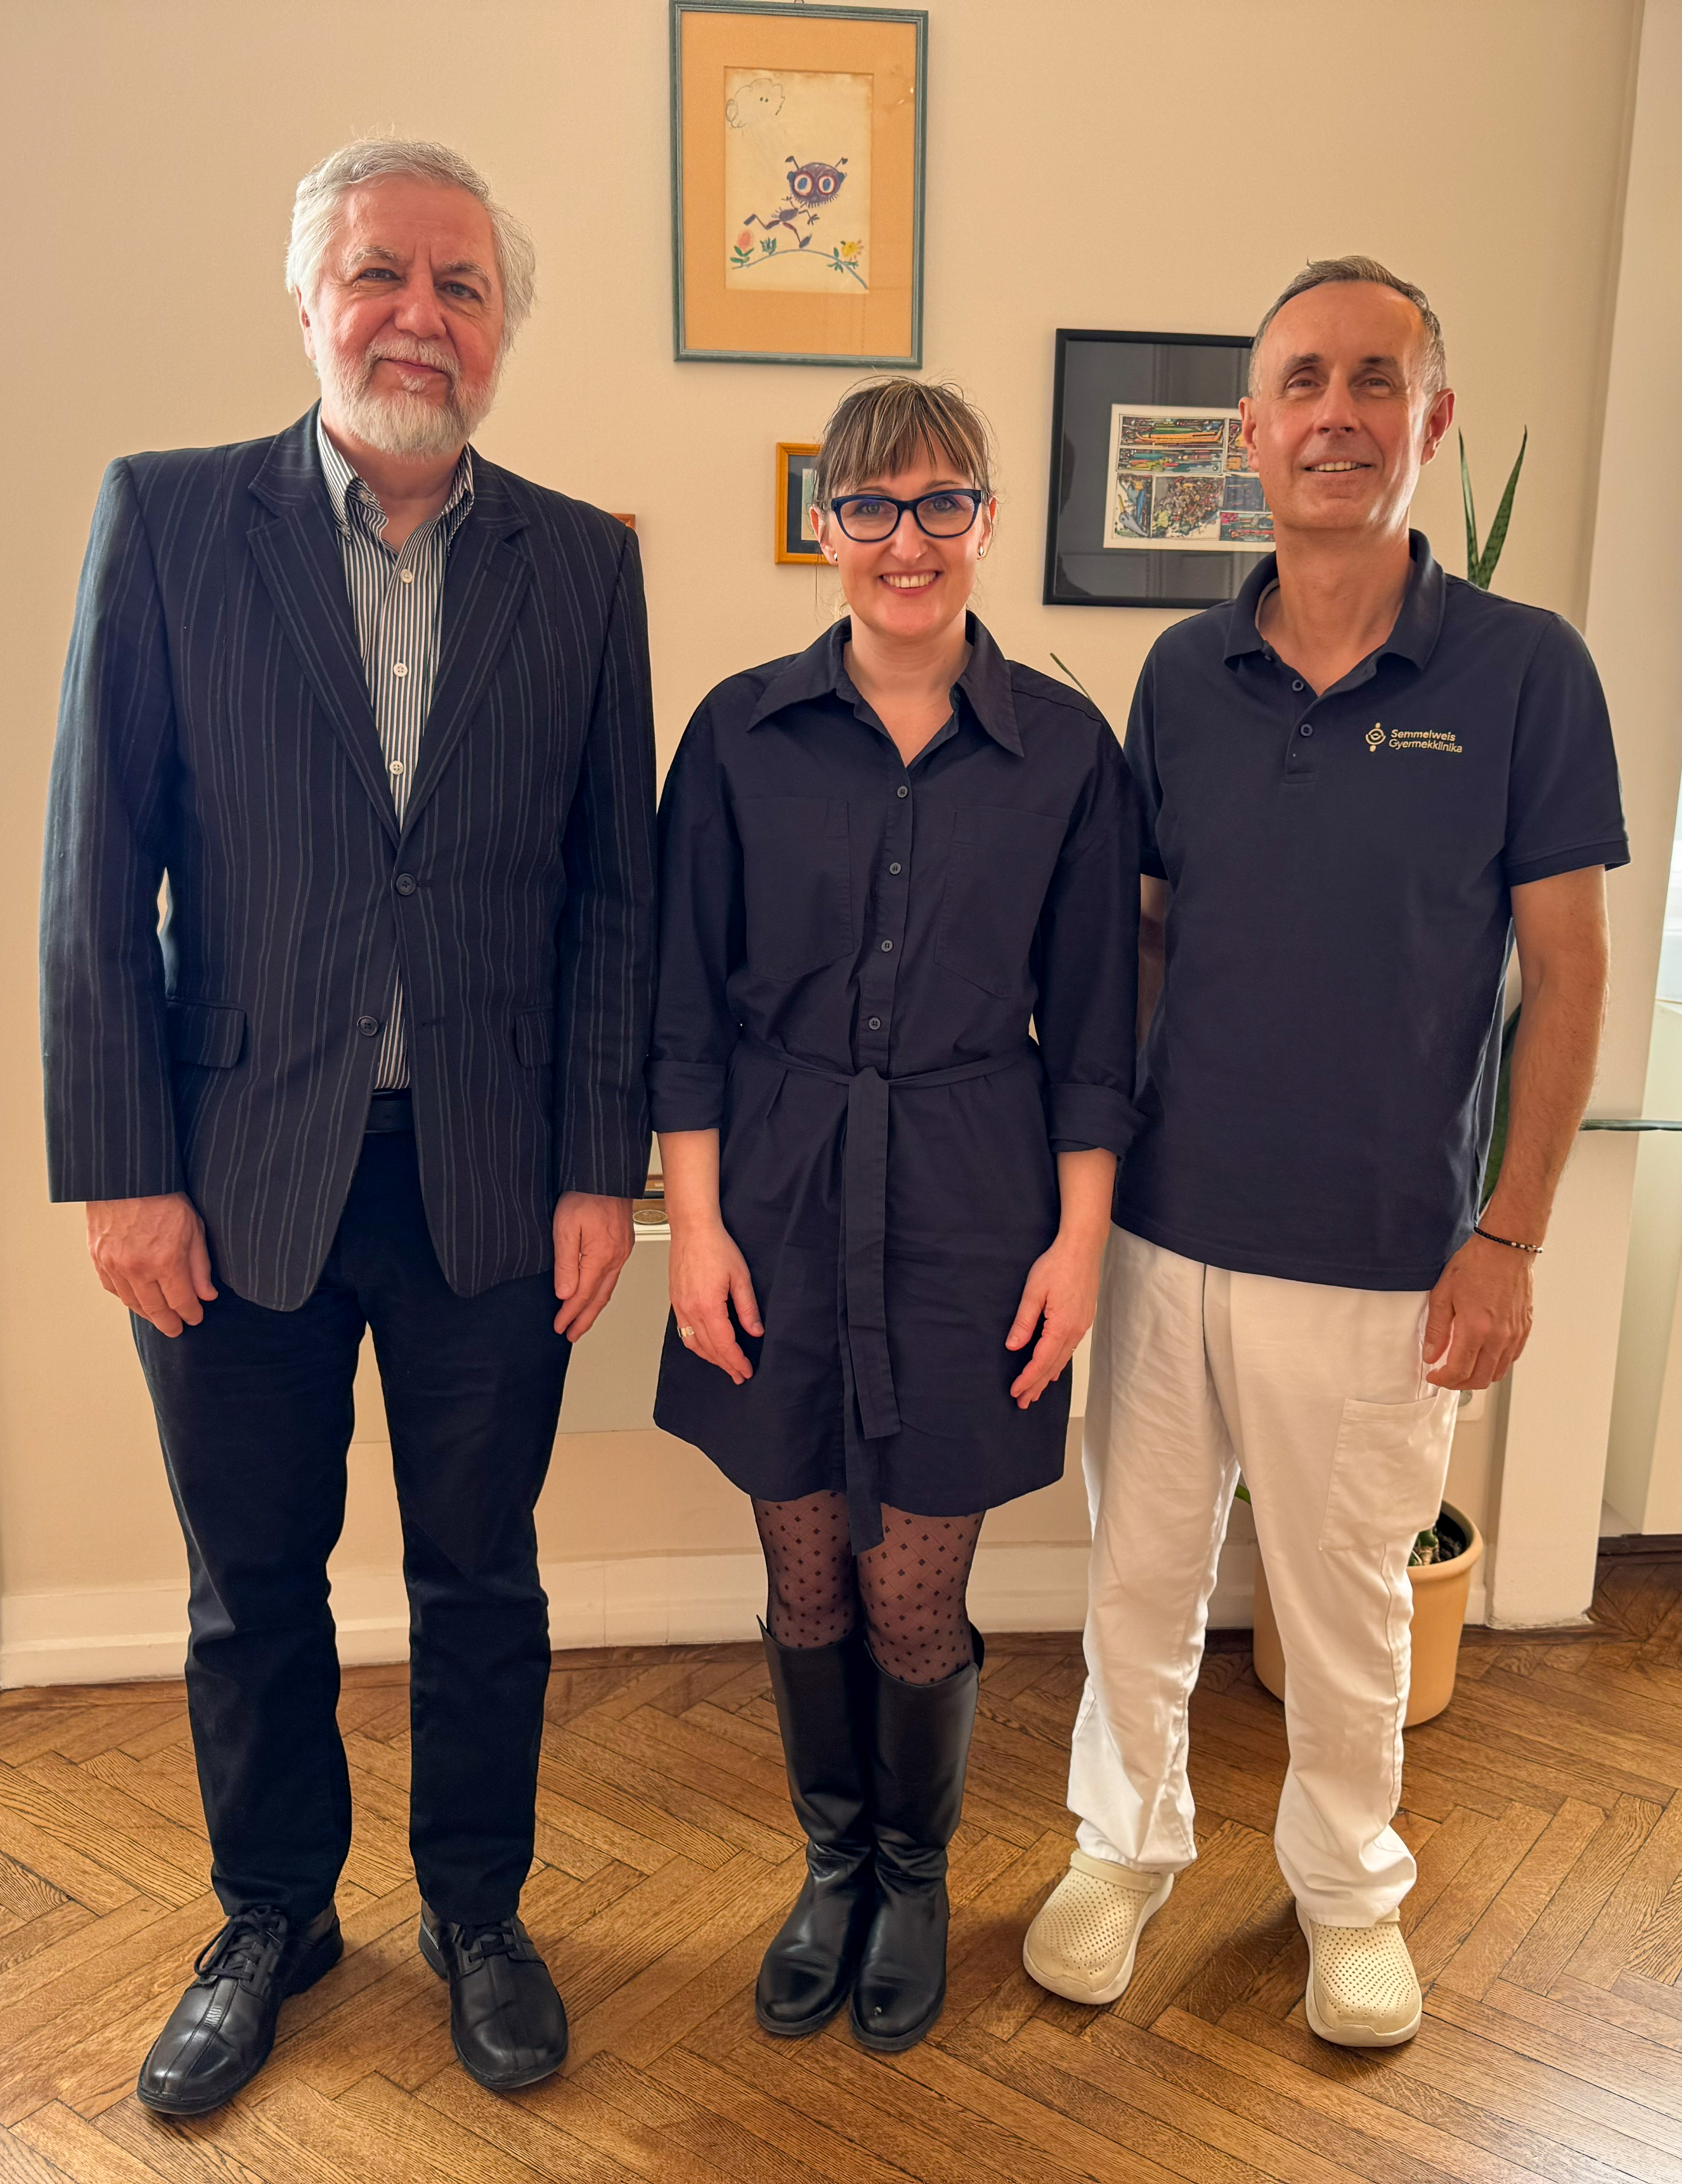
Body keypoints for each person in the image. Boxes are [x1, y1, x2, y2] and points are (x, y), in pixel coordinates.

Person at [40, 139, 656, 2109]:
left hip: (490, 1172)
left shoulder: (583, 560)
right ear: (309, 301)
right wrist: (120, 1164)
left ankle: (478, 1907)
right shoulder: (169, 523)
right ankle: (273, 1915)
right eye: (380, 273)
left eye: (460, 285)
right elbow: (93, 869)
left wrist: (597, 1170)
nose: (419, 312)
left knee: (481, 1571)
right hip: (230, 1173)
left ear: (499, 329)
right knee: (252, 1577)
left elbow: (610, 896)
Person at [1023, 257, 1626, 2047]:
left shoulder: (1524, 674)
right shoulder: (1177, 674)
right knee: (1133, 1572)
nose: (1337, 413)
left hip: (1381, 1254)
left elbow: (1571, 967)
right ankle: (1118, 1847)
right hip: (1158, 1233)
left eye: (1377, 380)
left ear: (1428, 420)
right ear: (1252, 434)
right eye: (1302, 383)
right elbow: (1134, 939)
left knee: (1348, 1607)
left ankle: (1347, 1893)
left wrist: (1508, 1234)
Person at [649, 380, 1140, 2052]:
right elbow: (680, 1009)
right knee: (804, 1579)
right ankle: (833, 1863)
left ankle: (913, 1873)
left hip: (969, 1196)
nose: (905, 538)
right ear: (824, 528)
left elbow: (1090, 1033)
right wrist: (694, 1230)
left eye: (942, 504)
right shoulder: (735, 732)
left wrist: (1076, 1249)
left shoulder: (1068, 751)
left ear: (987, 523)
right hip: (773, 1193)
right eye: (870, 505)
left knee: (912, 1588)